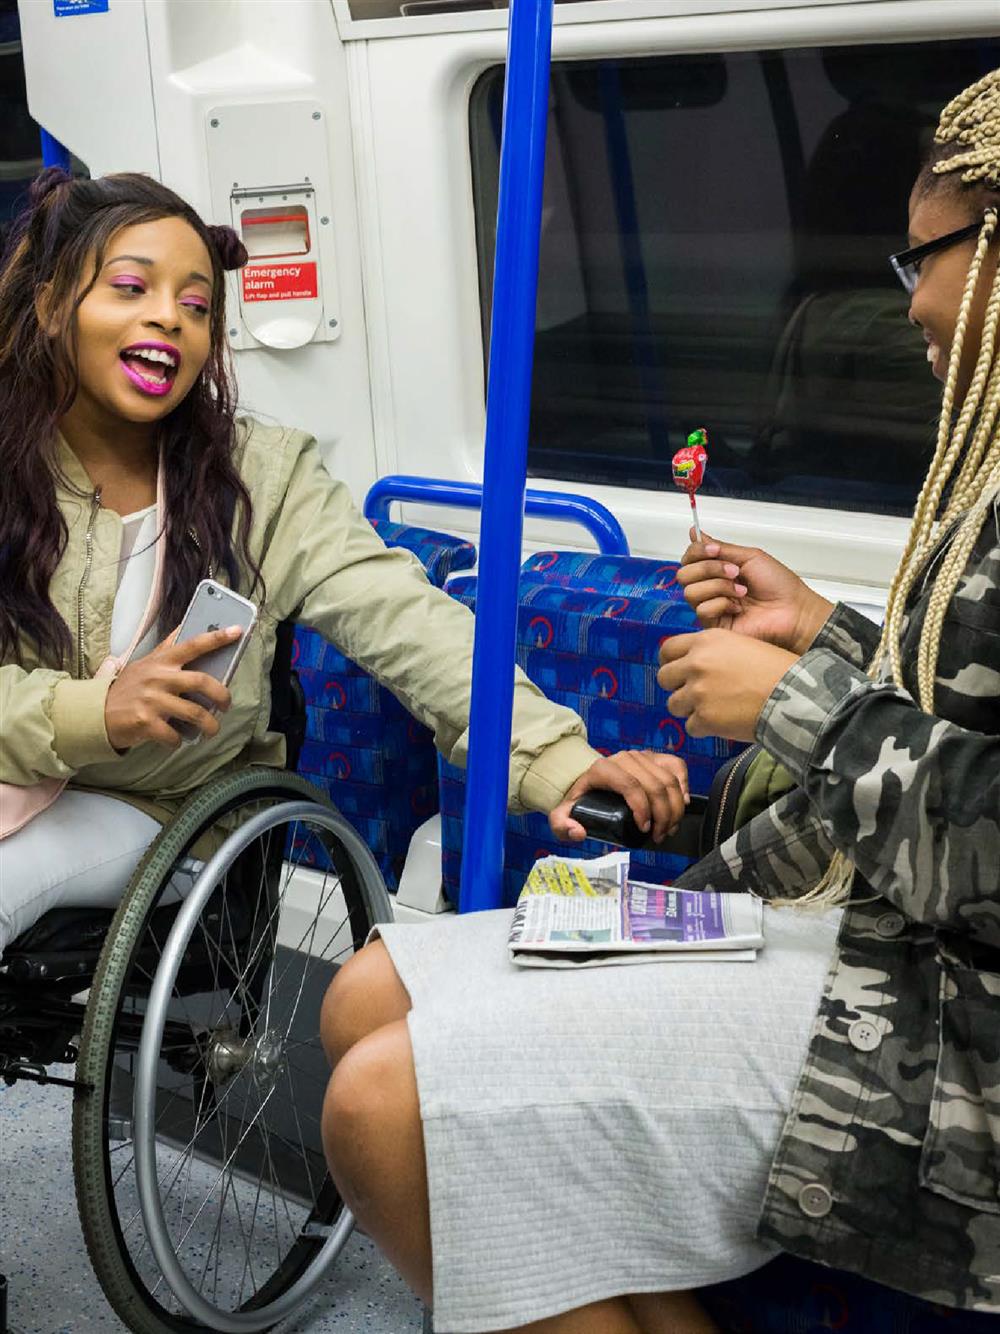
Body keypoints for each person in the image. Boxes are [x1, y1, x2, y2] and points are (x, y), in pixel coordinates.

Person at [321, 69, 1000, 1334]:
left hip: (945, 1001)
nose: (906, 303)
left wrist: (797, 703)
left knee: (381, 1101)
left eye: (921, 263)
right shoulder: (985, 457)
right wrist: (822, 628)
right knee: (362, 989)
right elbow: (961, 712)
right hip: (875, 908)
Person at [0, 168, 688, 957]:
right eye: (131, 287)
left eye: (196, 305)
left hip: (148, 804)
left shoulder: (261, 479)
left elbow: (404, 621)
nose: (170, 318)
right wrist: (98, 710)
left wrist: (556, 759)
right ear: (52, 306)